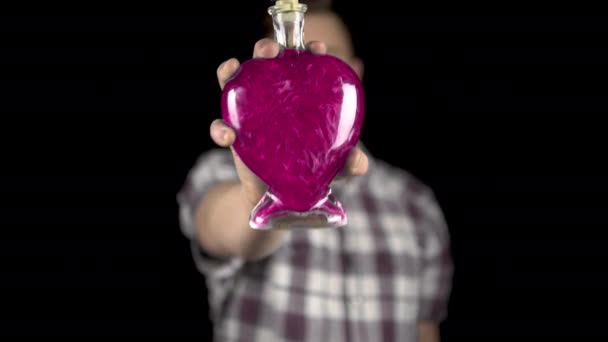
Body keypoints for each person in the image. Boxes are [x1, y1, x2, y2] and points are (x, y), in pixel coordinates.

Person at [177, 4, 453, 342]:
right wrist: (260, 191)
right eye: (288, 77)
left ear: (355, 72)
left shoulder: (414, 203)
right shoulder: (219, 171)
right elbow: (220, 230)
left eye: (326, 63)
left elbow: (425, 331)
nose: (305, 83)